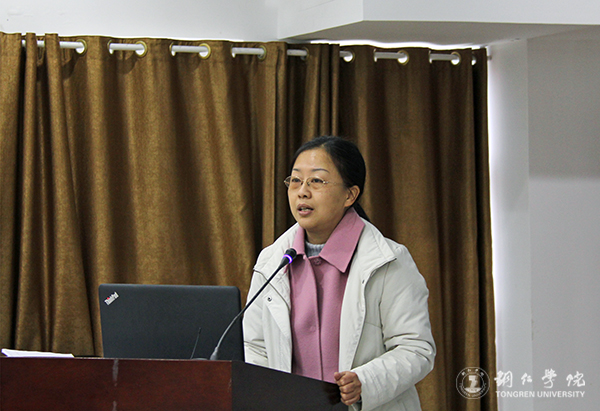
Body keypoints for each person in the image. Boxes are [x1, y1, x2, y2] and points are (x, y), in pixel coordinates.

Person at [243, 136, 435, 411]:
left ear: (350, 195)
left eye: (316, 181)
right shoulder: (271, 262)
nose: (302, 192)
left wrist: (365, 383)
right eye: (295, 180)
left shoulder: (388, 261)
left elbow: (416, 348)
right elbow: (255, 346)